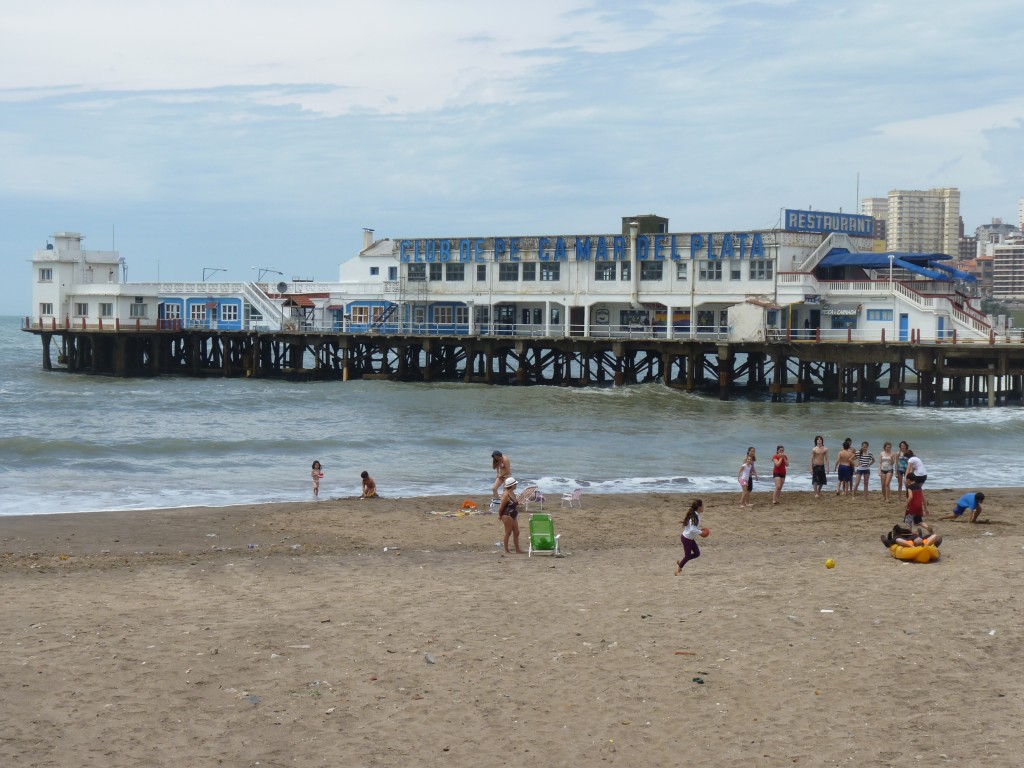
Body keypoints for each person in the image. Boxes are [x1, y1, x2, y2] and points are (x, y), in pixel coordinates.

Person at [675, 499, 704, 575]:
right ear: (699, 507)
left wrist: (700, 531)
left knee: (697, 553)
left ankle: (681, 562)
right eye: (702, 506)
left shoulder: (697, 515)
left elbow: (694, 527)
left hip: (690, 539)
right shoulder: (694, 517)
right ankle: (678, 570)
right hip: (686, 539)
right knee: (687, 556)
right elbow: (692, 529)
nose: (703, 507)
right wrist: (701, 532)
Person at [497, 477, 525, 554]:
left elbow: (513, 504)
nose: (516, 485)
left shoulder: (512, 493)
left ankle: (517, 550)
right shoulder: (506, 495)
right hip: (507, 515)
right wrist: (500, 516)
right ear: (512, 485)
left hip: (513, 514)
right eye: (515, 484)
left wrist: (519, 503)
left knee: (516, 532)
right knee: (508, 532)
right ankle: (506, 550)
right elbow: (501, 507)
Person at [904, 449, 929, 515]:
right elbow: (913, 470)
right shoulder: (916, 458)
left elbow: (908, 470)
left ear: (907, 457)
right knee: (919, 491)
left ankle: (911, 506)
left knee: (912, 490)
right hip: (924, 475)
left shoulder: (910, 460)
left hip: (919, 475)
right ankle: (926, 509)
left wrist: (906, 479)